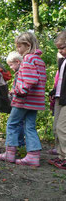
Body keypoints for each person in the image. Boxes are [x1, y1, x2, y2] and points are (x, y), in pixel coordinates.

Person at [0, 32, 46, 167]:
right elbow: (40, 79)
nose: (18, 49)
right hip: (35, 101)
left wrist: (18, 91)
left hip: (24, 100)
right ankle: (33, 155)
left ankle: (10, 153)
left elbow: (31, 80)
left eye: (19, 46)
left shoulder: (28, 59)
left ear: (28, 45)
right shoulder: (39, 60)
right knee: (30, 126)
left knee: (12, 124)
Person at [48, 30, 66, 169]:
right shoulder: (63, 61)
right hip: (60, 97)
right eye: (59, 49)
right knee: (56, 128)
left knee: (62, 127)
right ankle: (61, 156)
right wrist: (54, 91)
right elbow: (60, 80)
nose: (61, 51)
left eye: (62, 48)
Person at [6, 51, 25, 147]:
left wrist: (13, 91)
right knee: (20, 123)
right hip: (20, 101)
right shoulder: (20, 72)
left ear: (17, 62)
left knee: (13, 123)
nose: (10, 67)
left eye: (11, 65)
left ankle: (16, 145)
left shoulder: (21, 73)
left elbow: (21, 88)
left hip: (19, 102)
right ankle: (20, 144)